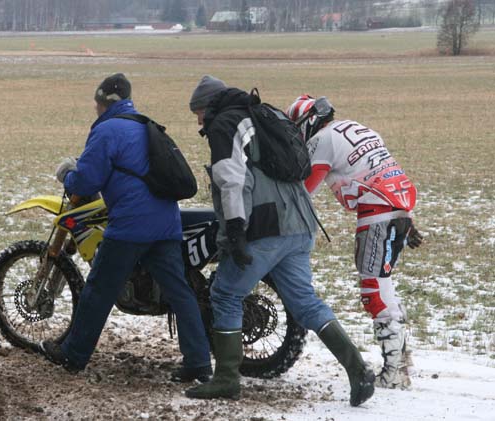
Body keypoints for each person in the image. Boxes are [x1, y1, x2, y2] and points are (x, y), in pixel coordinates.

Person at [184, 75, 375, 406]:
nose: (199, 120)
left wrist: (236, 231)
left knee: (226, 293)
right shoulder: (265, 115)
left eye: (199, 112)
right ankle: (358, 369)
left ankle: (227, 378)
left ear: (209, 106)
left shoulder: (226, 123)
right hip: (301, 222)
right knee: (305, 302)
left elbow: (232, 180)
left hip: (266, 226)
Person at [40, 73, 212, 383]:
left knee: (98, 289)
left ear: (104, 103)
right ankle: (198, 362)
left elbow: (88, 180)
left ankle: (74, 355)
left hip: (131, 226)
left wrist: (67, 175)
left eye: (97, 103)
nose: (96, 108)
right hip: (166, 223)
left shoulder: (107, 131)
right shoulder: (145, 125)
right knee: (180, 292)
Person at [286, 94, 422, 389]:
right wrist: (407, 219)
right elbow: (382, 169)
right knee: (385, 286)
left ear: (308, 122)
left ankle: (395, 371)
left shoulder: (322, 140)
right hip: (398, 201)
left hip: (377, 209)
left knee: (373, 291)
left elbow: (304, 191)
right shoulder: (358, 128)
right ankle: (400, 360)